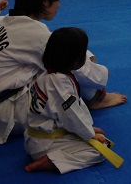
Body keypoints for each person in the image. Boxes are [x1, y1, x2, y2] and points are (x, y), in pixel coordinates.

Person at [0, 0, 127, 144]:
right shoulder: (34, 32)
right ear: (45, 2)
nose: (59, 5)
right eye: (57, 0)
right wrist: (102, 77)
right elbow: (76, 66)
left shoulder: (6, 21)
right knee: (69, 62)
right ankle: (95, 98)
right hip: (7, 114)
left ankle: (93, 96)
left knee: (65, 50)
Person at [24, 28, 110, 174]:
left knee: (99, 139)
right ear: (76, 61)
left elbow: (68, 112)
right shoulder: (60, 86)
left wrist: (88, 129)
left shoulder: (48, 75)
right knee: (100, 151)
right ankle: (52, 162)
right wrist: (89, 134)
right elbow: (72, 115)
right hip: (45, 143)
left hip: (40, 135)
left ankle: (54, 154)